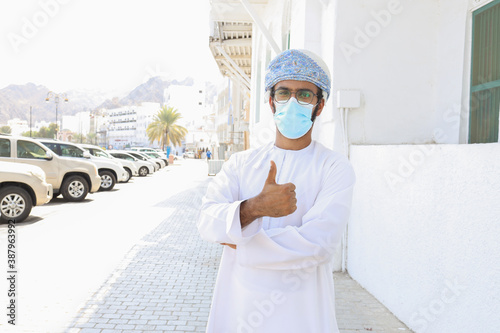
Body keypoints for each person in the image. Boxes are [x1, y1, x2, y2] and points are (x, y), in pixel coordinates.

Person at [197, 49, 356, 333]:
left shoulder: (334, 167)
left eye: (305, 94)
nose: (293, 101)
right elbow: (207, 221)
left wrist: (237, 235)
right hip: (240, 308)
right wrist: (254, 208)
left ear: (319, 106)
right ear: (271, 102)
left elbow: (316, 245)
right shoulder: (241, 163)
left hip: (302, 313)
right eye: (284, 92)